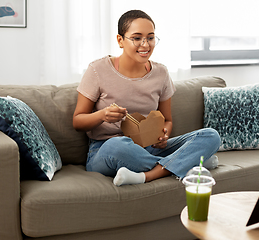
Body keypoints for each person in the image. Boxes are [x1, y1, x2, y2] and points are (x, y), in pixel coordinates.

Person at [73, 10, 220, 186]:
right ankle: (189, 162)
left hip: (149, 148)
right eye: (137, 38)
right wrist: (102, 115)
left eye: (150, 38)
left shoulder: (161, 73)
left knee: (211, 135)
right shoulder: (98, 70)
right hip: (106, 149)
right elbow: (77, 122)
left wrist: (164, 134)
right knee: (118, 145)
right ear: (120, 40)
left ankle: (148, 175)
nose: (145, 44)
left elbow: (167, 120)